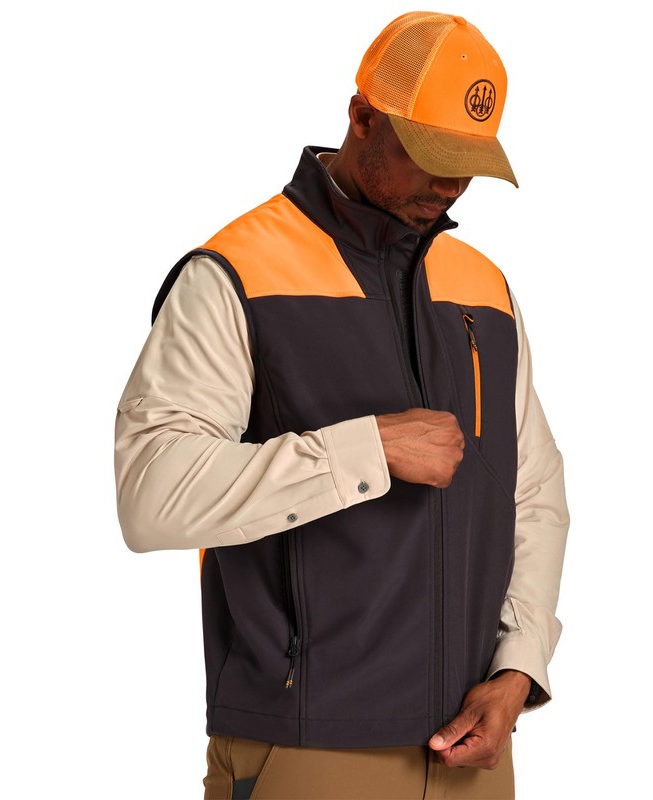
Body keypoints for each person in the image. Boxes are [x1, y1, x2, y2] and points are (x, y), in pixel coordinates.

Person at [114, 11, 569, 800]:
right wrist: (366, 451)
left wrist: (518, 669)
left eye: (468, 165)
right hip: (309, 750)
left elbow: (532, 494)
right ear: (362, 117)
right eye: (432, 156)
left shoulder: (483, 288)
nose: (450, 186)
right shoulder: (236, 274)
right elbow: (150, 496)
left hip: (473, 755)